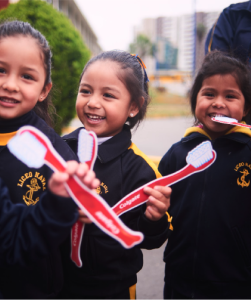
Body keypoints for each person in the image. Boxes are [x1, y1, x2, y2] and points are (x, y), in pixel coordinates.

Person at [0, 42, 100, 298]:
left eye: (27, 76)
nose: (11, 85)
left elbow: (18, 239)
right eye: (0, 70)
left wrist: (62, 204)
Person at [60, 50, 172, 299]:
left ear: (133, 106)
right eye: (86, 90)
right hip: (57, 284)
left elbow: (150, 240)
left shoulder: (141, 169)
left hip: (113, 290)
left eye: (107, 95)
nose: (92, 102)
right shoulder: (59, 150)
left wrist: (154, 219)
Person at [159, 51, 251, 299]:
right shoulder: (178, 153)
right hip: (180, 275)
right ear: (195, 100)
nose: (218, 103)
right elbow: (159, 206)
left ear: (246, 108)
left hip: (236, 280)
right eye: (209, 94)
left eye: (230, 96)